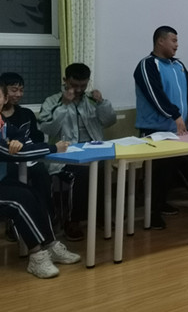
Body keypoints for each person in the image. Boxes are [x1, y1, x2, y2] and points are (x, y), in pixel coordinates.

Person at [0, 81, 80, 278]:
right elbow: (11, 153)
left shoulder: (2, 121)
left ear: (4, 99)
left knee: (34, 194)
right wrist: (54, 148)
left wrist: (18, 141)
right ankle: (36, 256)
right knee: (19, 201)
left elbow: (22, 140)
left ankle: (50, 245)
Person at [39, 63, 117, 241]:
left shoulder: (91, 100)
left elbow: (109, 121)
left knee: (103, 168)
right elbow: (47, 128)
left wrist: (102, 103)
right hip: (64, 156)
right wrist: (64, 105)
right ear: (65, 80)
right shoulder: (52, 101)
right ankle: (72, 220)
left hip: (93, 151)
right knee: (81, 173)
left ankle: (101, 214)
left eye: (83, 85)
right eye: (75, 85)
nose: (79, 90)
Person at [134, 26, 188, 229]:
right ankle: (152, 213)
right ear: (160, 41)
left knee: (169, 171)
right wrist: (174, 114)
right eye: (173, 40)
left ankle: (161, 203)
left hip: (177, 129)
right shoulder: (147, 65)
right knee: (156, 172)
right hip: (155, 129)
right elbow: (155, 95)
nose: (177, 45)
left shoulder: (178, 65)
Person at [0, 72, 54, 235]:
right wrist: (54, 148)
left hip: (28, 158)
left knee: (41, 174)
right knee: (19, 187)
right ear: (4, 93)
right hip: (8, 163)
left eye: (21, 90)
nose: (18, 94)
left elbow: (34, 138)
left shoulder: (26, 114)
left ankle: (47, 222)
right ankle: (16, 226)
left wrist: (23, 143)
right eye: (14, 90)